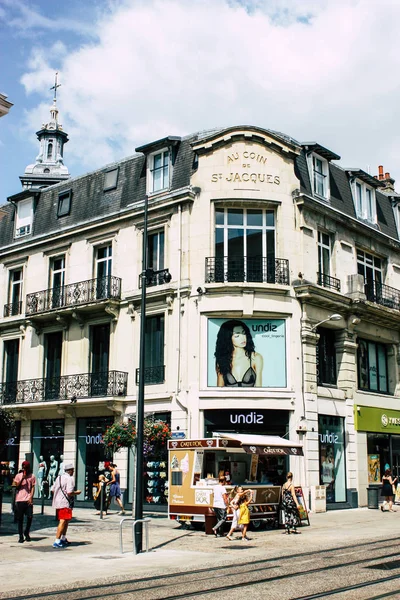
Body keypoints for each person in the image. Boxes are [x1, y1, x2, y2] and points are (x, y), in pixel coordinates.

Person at [214, 320, 263, 387]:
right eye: (237, 336)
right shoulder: (222, 360)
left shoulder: (256, 358)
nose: (243, 338)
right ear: (228, 338)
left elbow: (259, 389)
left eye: (244, 333)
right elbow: (219, 390)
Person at [52, 462, 81, 548]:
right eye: (73, 470)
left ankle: (63, 538)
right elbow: (70, 492)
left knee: (66, 520)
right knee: (63, 520)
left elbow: (53, 489)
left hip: (58, 502)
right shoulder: (70, 479)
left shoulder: (59, 478)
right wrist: (77, 493)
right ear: (70, 471)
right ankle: (57, 540)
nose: (73, 472)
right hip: (65, 502)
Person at [12, 460, 36, 543]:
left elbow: (33, 487)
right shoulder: (18, 476)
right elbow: (17, 487)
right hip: (20, 499)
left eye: (27, 468)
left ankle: (27, 532)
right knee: (20, 518)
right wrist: (23, 478)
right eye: (24, 467)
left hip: (28, 499)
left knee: (30, 516)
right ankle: (20, 535)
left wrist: (31, 497)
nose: (25, 469)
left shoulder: (32, 476)